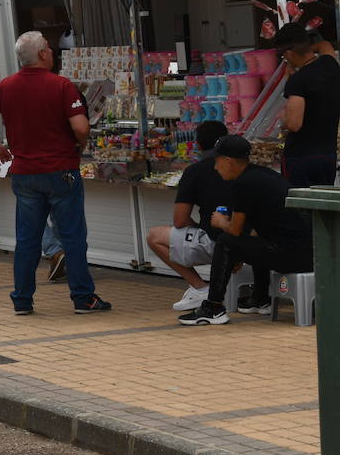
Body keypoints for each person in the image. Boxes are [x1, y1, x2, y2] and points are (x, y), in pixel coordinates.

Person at [0, 30, 111, 315]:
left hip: (24, 173)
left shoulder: (6, 86)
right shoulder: (61, 86)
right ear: (43, 54)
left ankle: (22, 300)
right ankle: (83, 298)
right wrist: (77, 146)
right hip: (61, 170)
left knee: (27, 240)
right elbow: (81, 128)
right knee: (72, 237)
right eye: (48, 47)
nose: (51, 51)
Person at [178, 135, 314, 326]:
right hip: (308, 252)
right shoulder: (262, 175)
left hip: (293, 256)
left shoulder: (243, 184)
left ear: (228, 161)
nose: (215, 168)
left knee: (226, 241)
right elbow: (252, 231)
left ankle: (213, 307)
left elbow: (233, 231)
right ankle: (260, 298)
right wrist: (238, 253)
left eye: (217, 162)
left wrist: (221, 222)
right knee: (255, 239)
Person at [144, 120, 229, 311]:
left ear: (198, 145)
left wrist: (201, 227)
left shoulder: (194, 172)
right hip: (249, 238)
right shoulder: (244, 167)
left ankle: (200, 289)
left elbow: (180, 220)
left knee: (154, 236)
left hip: (217, 241)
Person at [276, 22, 340, 188]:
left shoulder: (298, 80)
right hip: (327, 155)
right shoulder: (331, 65)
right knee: (323, 206)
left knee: (300, 211)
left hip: (301, 157)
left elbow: (294, 124)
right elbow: (325, 44)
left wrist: (284, 120)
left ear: (289, 53)